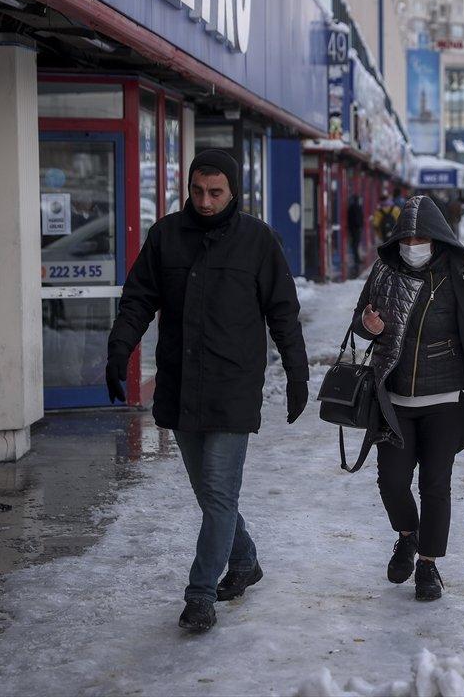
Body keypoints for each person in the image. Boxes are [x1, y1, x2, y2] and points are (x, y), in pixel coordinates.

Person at [105, 150, 309, 634]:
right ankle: (245, 559)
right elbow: (138, 299)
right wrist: (119, 350)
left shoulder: (257, 241)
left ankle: (200, 594)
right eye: (198, 191)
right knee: (210, 494)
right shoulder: (166, 237)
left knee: (218, 493)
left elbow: (283, 312)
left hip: (233, 386)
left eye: (216, 192)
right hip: (181, 385)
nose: (206, 201)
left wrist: (297, 374)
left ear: (233, 191)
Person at [347, 195, 464, 601]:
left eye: (421, 238)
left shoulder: (461, 275)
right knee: (392, 481)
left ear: (437, 238)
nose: (412, 246)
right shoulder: (383, 272)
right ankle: (407, 535)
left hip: (446, 399)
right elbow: (360, 321)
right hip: (393, 398)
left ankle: (428, 565)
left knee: (435, 484)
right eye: (406, 238)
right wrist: (367, 324)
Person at [347, 193, 365, 275]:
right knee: (355, 244)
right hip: (356, 229)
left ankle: (356, 258)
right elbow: (359, 218)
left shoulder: (351, 207)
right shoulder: (358, 207)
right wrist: (360, 226)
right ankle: (356, 258)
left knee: (354, 244)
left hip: (352, 229)